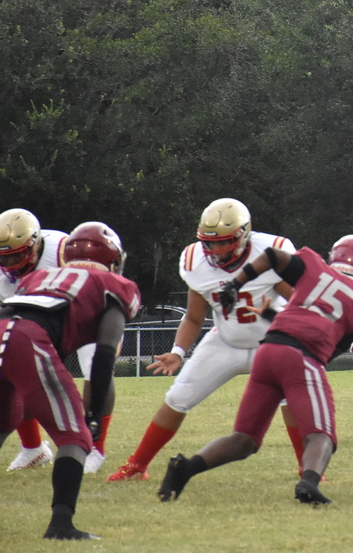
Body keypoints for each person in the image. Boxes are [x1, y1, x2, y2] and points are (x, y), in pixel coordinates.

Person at [0, 222, 139, 540]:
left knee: (1, 423)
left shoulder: (39, 277)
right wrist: (94, 412)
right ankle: (61, 524)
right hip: (28, 339)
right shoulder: (115, 285)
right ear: (113, 259)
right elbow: (104, 353)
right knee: (75, 436)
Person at [156, 235, 353, 506]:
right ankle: (309, 484)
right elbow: (332, 342)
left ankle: (187, 468)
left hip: (268, 349)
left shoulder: (313, 265)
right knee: (321, 434)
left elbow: (273, 257)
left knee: (244, 440)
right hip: (302, 357)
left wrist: (235, 284)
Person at [108, 198, 305, 482]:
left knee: (292, 401)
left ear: (243, 235)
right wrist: (178, 351)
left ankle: (308, 469)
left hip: (272, 343)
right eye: (209, 243)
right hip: (226, 341)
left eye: (223, 242)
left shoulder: (272, 252)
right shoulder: (195, 262)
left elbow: (301, 302)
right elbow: (193, 317)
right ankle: (137, 465)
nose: (215, 250)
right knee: (177, 397)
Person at [0, 208, 69, 471]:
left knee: (94, 370)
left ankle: (92, 448)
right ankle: (33, 449)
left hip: (73, 316)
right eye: (4, 258)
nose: (10, 264)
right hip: (30, 320)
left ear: (35, 245)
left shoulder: (63, 250)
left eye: (17, 255)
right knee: (15, 373)